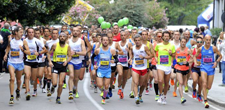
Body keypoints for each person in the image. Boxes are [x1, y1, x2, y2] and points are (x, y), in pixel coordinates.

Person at [194, 35, 222, 108]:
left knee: (208, 87)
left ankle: (205, 91)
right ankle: (205, 101)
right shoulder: (201, 49)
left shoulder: (213, 48)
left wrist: (216, 62)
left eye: (209, 40)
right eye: (206, 40)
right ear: (204, 40)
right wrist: (195, 62)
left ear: (211, 40)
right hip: (203, 67)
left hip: (211, 68)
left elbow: (220, 56)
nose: (208, 41)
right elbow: (195, 56)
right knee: (204, 83)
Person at [4, 27, 30, 104]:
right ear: (16, 32)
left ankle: (18, 89)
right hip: (11, 62)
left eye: (22, 32)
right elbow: (8, 47)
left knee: (18, 80)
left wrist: (22, 49)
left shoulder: (23, 41)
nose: (22, 34)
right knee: (12, 78)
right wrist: (6, 54)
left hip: (20, 63)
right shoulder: (11, 40)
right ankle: (11, 97)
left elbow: (28, 52)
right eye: (21, 32)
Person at [91, 34, 118, 104]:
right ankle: (104, 91)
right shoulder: (98, 50)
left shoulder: (112, 50)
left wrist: (114, 61)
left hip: (108, 70)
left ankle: (103, 98)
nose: (105, 41)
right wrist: (94, 65)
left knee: (106, 85)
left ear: (108, 41)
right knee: (100, 85)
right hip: (100, 69)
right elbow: (92, 57)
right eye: (104, 40)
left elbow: (117, 59)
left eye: (106, 40)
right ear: (101, 41)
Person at [48, 32, 71, 104]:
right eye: (61, 36)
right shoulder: (54, 45)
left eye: (63, 36)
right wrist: (50, 61)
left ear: (66, 38)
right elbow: (49, 54)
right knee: (55, 83)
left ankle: (58, 97)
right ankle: (53, 86)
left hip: (63, 66)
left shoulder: (68, 46)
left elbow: (70, 56)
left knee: (60, 84)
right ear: (59, 37)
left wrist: (67, 61)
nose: (62, 37)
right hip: (55, 64)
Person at [24, 28, 47, 100]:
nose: (31, 33)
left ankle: (35, 89)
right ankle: (28, 92)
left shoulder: (37, 41)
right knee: (27, 75)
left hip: (35, 61)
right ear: (27, 33)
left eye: (32, 32)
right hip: (27, 61)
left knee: (34, 78)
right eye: (29, 32)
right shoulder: (24, 41)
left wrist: (39, 53)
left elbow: (45, 49)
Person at [129, 34, 152, 104]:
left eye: (138, 40)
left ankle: (140, 95)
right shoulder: (132, 48)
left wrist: (144, 57)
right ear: (134, 41)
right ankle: (136, 97)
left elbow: (151, 55)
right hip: (135, 67)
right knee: (136, 82)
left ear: (141, 40)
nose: (137, 42)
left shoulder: (144, 47)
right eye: (136, 40)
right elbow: (131, 54)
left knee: (142, 84)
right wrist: (130, 59)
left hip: (144, 68)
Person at [155, 31, 175, 105]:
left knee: (166, 83)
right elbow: (154, 51)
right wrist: (155, 57)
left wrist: (171, 54)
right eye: (165, 36)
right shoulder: (158, 45)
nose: (166, 37)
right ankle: (160, 95)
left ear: (169, 37)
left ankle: (164, 96)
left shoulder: (172, 46)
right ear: (162, 37)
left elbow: (174, 55)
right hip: (160, 65)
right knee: (160, 80)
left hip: (168, 66)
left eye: (167, 36)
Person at [68, 27, 86, 100]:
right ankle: (70, 92)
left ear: (79, 32)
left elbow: (84, 52)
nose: (75, 32)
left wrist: (75, 52)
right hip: (70, 61)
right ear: (72, 32)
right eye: (74, 31)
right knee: (71, 76)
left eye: (77, 31)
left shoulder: (81, 41)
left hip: (78, 61)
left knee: (76, 78)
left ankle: (75, 88)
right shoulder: (68, 41)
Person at [174, 38, 192, 104]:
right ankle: (182, 98)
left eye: (184, 42)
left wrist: (187, 62)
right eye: (182, 42)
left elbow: (192, 59)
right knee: (181, 82)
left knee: (184, 83)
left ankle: (183, 85)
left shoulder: (188, 50)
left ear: (186, 43)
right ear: (180, 42)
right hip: (178, 68)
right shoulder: (177, 50)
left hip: (185, 69)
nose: (183, 43)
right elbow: (173, 58)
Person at [117, 31, 132, 99]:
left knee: (125, 78)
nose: (123, 37)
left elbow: (131, 54)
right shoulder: (117, 44)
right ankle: (119, 86)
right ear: (120, 36)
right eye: (122, 35)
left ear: (126, 36)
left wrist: (128, 52)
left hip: (126, 62)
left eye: (124, 35)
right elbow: (114, 52)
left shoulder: (129, 44)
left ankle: (122, 90)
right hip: (119, 61)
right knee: (120, 74)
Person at [45, 29, 59, 95]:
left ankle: (53, 86)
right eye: (53, 33)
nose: (54, 35)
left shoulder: (60, 42)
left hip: (58, 61)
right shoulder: (48, 42)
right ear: (51, 34)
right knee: (49, 74)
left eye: (56, 33)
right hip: (50, 59)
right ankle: (48, 89)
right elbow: (48, 52)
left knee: (54, 80)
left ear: (58, 34)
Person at [34, 28, 47, 95]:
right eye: (35, 33)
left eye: (38, 33)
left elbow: (46, 49)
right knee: (35, 76)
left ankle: (41, 81)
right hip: (33, 60)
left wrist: (44, 55)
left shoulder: (43, 40)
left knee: (40, 74)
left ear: (40, 34)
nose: (37, 35)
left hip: (41, 59)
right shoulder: (31, 40)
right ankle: (35, 90)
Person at [192, 37, 204, 102]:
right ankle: (194, 89)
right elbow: (192, 57)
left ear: (202, 43)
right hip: (195, 68)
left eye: (200, 42)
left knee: (200, 83)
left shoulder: (204, 49)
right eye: (198, 42)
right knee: (195, 80)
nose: (199, 43)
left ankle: (199, 95)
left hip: (202, 69)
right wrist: (195, 62)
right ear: (196, 42)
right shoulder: (194, 49)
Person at [170, 31, 180, 97]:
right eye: (175, 34)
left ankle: (174, 91)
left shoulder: (181, 43)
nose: (176, 36)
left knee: (177, 77)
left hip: (179, 61)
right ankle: (171, 79)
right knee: (172, 76)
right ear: (173, 35)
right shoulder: (170, 43)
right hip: (172, 61)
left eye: (178, 35)